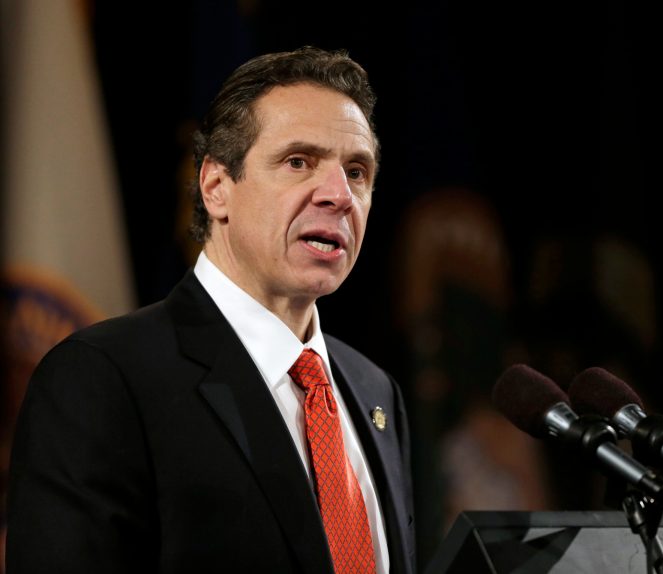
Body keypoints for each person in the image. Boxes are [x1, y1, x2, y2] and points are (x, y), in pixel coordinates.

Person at [6, 46, 416, 574]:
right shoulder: (103, 377)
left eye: (357, 172)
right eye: (298, 162)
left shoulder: (375, 391)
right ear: (216, 188)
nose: (339, 195)